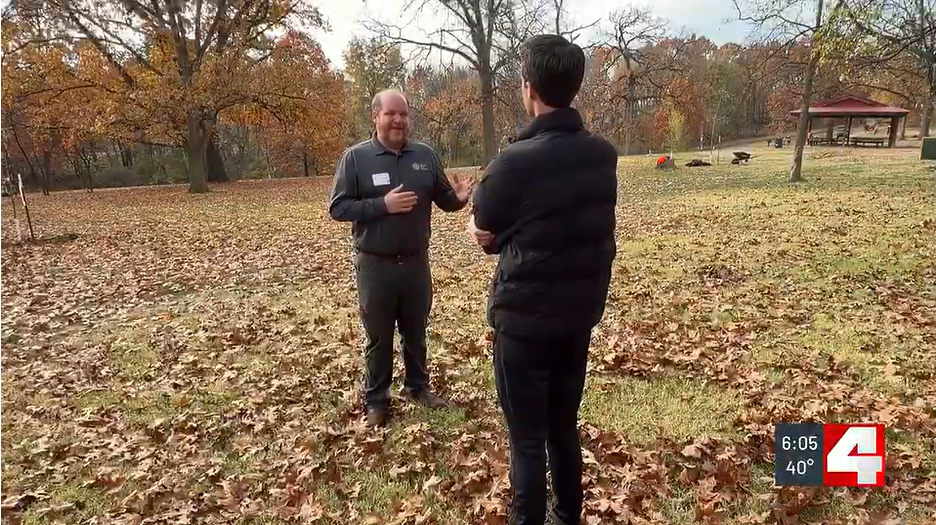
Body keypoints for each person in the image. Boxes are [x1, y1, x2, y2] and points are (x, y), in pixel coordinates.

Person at [467, 35, 618, 525]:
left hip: (525, 322)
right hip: (577, 317)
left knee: (527, 439)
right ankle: (567, 516)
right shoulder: (603, 155)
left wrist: (482, 232)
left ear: (528, 87)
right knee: (562, 427)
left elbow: (486, 225)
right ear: (574, 87)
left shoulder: (514, 161)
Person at [329, 89, 473, 427]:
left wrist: (461, 198)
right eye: (391, 114)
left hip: (416, 263)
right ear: (375, 116)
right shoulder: (355, 158)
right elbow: (338, 207)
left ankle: (418, 387)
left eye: (404, 114)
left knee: (416, 330)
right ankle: (377, 398)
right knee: (378, 337)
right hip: (375, 265)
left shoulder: (424, 155)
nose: (398, 120)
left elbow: (444, 198)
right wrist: (382, 205)